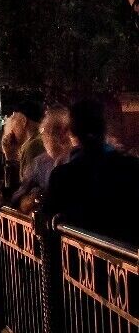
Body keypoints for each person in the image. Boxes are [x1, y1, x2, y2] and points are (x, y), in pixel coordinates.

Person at [44, 99, 139, 246]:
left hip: (78, 263)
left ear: (70, 132)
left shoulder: (63, 175)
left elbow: (47, 226)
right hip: (125, 260)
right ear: (105, 129)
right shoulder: (131, 167)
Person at [10, 108, 72, 211]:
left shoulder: (79, 160)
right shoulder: (39, 163)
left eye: (60, 131)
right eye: (48, 132)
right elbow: (18, 196)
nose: (56, 137)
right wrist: (27, 200)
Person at [1, 100, 44, 187]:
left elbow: (22, 190)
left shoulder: (33, 146)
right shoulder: (39, 142)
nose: (9, 126)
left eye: (13, 119)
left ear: (23, 121)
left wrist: (10, 157)